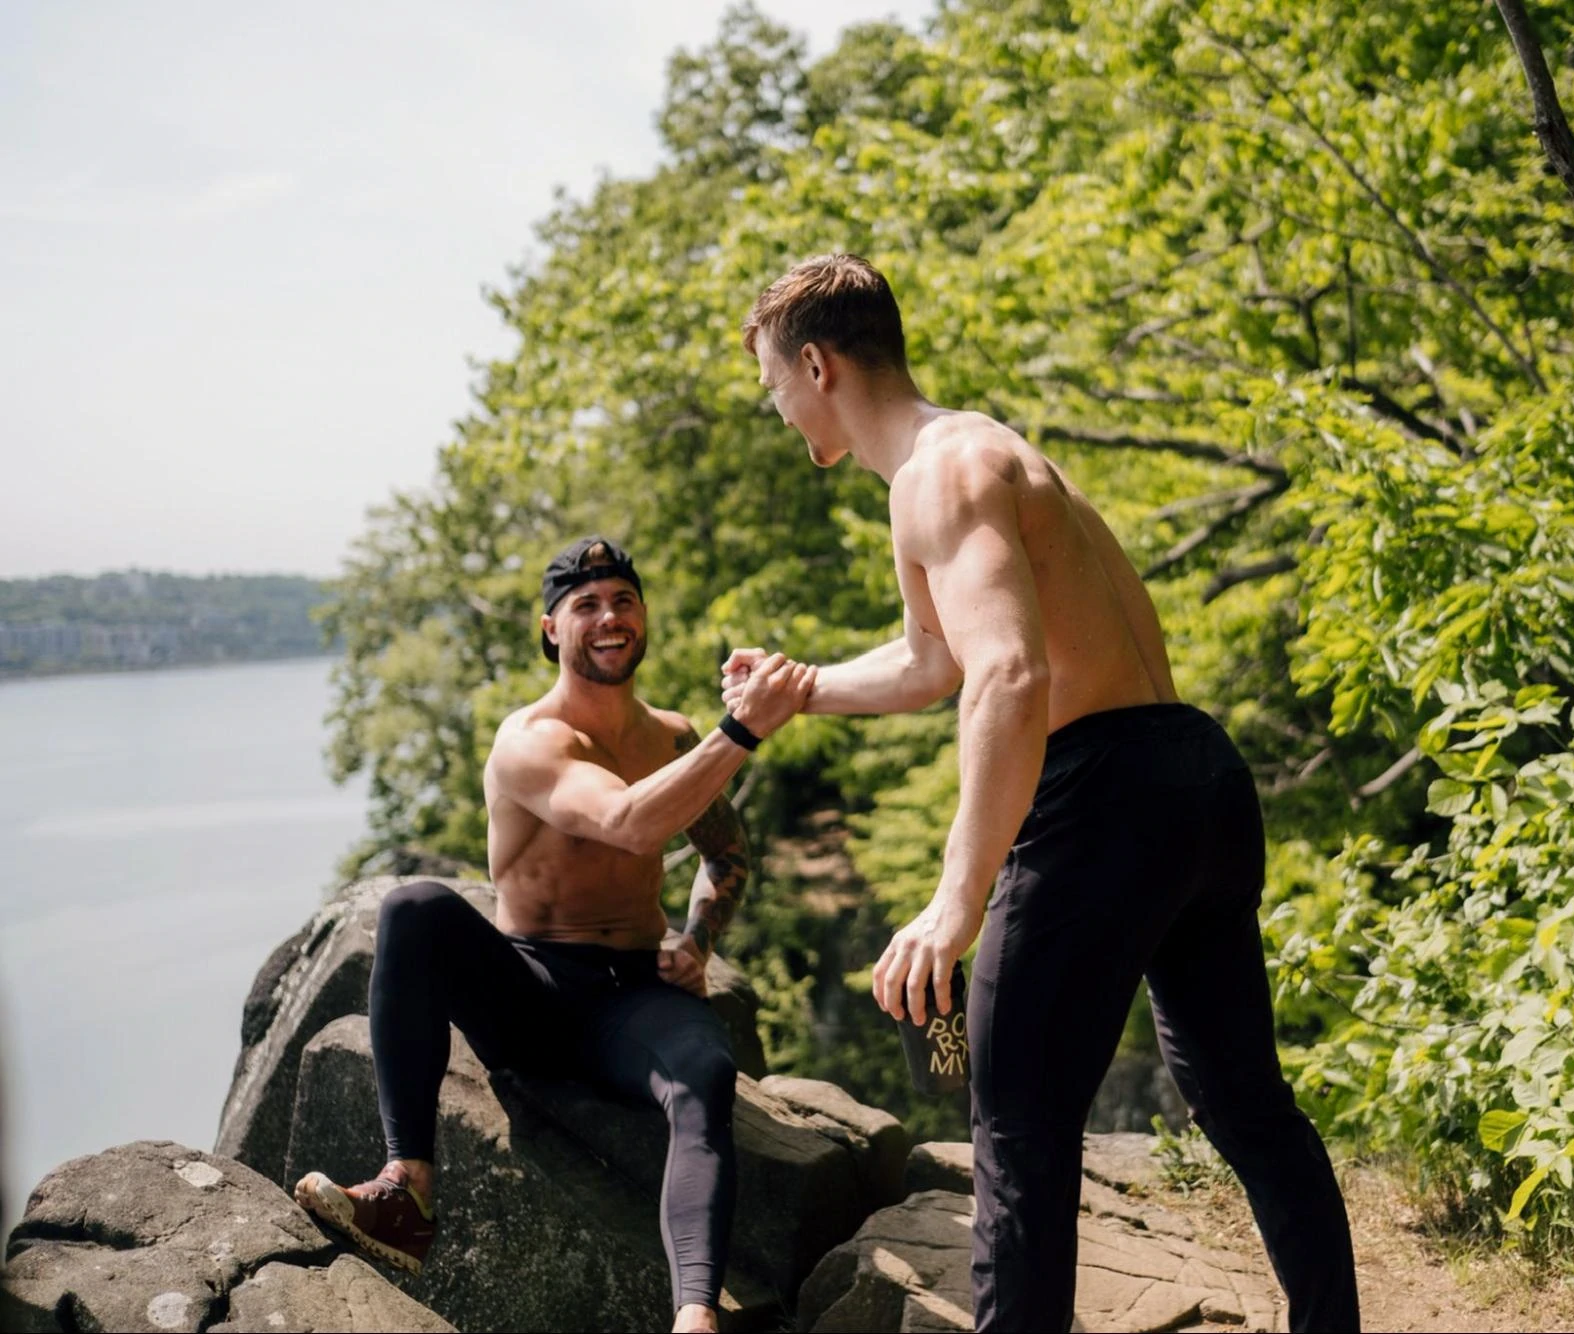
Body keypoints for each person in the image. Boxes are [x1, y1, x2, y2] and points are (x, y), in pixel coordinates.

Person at [725, 255, 1361, 1332]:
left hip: (1104, 797)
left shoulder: (938, 474)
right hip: (1192, 775)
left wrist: (955, 895)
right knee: (1244, 1104)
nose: (776, 409)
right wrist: (806, 690)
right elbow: (941, 661)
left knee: (1015, 1124)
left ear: (817, 364)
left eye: (772, 385)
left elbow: (1009, 674)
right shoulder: (975, 452)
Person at [294, 536, 815, 1334]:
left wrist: (697, 940)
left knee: (706, 1073)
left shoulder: (671, 738)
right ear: (551, 629)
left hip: (635, 997)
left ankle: (695, 1318)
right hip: (530, 995)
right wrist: (740, 732)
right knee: (414, 910)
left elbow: (727, 852)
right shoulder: (530, 741)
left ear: (642, 619)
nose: (609, 618)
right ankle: (407, 1191)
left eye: (624, 601)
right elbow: (629, 824)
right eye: (587, 606)